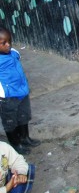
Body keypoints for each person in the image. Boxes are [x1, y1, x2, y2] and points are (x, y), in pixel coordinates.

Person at [0, 26, 41, 155]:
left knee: (24, 116)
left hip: (22, 91)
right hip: (8, 96)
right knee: (10, 121)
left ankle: (25, 138)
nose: (8, 45)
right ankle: (15, 144)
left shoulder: (14, 53)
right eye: (3, 43)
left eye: (9, 41)